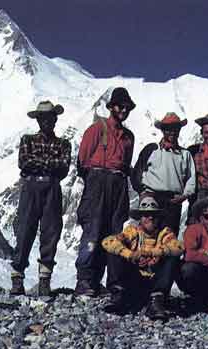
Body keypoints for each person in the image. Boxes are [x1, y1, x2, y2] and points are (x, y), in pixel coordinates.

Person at [74, 87, 135, 296]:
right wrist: (95, 182)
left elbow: (127, 164)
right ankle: (84, 280)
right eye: (120, 106)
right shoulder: (97, 129)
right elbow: (82, 160)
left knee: (114, 232)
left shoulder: (129, 137)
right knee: (93, 230)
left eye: (127, 107)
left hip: (118, 183)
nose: (123, 110)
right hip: (98, 182)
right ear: (111, 107)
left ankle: (109, 282)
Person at [11, 101, 71, 296]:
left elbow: (63, 167)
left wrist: (38, 163)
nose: (47, 121)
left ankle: (44, 280)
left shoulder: (64, 143)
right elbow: (23, 162)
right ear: (38, 120)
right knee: (24, 230)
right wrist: (49, 164)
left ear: (55, 119)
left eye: (50, 118)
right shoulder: (26, 139)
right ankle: (17, 279)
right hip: (32, 187)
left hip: (51, 188)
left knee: (51, 232)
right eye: (43, 118)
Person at [102, 196, 183, 320]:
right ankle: (118, 295)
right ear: (140, 218)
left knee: (172, 258)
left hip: (155, 282)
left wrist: (150, 253)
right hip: (133, 280)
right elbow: (108, 242)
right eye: (146, 215)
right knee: (115, 251)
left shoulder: (165, 233)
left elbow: (178, 247)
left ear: (159, 218)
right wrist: (131, 255)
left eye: (153, 215)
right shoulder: (132, 231)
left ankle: (156, 301)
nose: (150, 218)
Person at [131, 112, 196, 234]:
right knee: (148, 236)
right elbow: (136, 174)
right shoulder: (152, 149)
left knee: (169, 239)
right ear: (162, 130)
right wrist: (143, 193)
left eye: (175, 129)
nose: (172, 132)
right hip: (151, 199)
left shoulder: (185, 154)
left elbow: (191, 179)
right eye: (168, 129)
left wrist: (184, 196)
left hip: (173, 202)